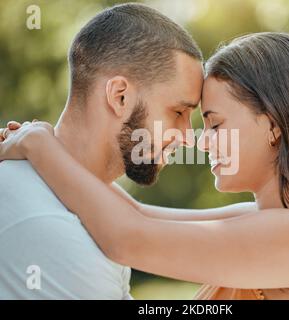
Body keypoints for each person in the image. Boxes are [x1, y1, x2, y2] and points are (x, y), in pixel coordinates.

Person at [1, 33, 289, 300]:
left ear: (273, 124)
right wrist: (53, 154)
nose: (199, 140)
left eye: (215, 124)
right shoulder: (266, 220)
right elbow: (136, 213)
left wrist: (38, 144)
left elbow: (129, 239)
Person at [0, 3, 204, 299]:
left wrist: (39, 145)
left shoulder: (91, 214)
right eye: (178, 112)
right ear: (120, 97)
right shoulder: (53, 229)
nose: (187, 137)